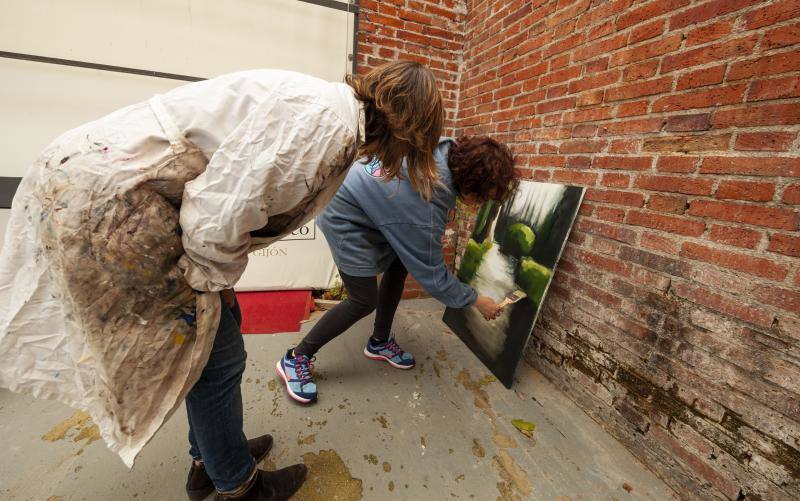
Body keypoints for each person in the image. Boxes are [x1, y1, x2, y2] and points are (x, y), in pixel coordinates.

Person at [0, 61, 444, 501]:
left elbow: (226, 205)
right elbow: (217, 216)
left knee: (213, 347)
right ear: (406, 125)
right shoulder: (325, 125)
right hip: (109, 198)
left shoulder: (332, 115)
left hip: (110, 190)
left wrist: (219, 284)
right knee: (219, 356)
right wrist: (217, 283)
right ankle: (236, 484)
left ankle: (209, 460)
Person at [276, 135, 518, 404]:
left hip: (368, 202)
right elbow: (434, 277)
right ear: (472, 184)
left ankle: (379, 342)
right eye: (483, 197)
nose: (481, 204)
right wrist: (475, 299)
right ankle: (296, 357)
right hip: (344, 214)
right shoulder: (427, 200)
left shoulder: (441, 149)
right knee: (362, 299)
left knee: (400, 263)